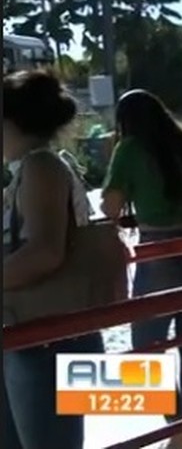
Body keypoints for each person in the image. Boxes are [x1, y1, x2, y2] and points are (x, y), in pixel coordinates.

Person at [101, 90, 182, 449]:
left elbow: (110, 208)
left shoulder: (130, 148)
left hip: (160, 250)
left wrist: (114, 161)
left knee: (146, 347)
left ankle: (179, 428)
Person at [2, 70, 104, 449]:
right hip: (38, 334)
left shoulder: (40, 167)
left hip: (45, 340)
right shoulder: (37, 167)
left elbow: (45, 251)